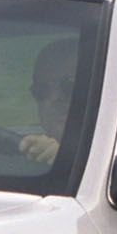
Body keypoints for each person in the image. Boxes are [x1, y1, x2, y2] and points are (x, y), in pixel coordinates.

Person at [19, 37, 76, 165]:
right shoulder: (24, 152)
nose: (54, 98)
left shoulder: (107, 154)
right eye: (42, 89)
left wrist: (65, 160)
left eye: (69, 87)